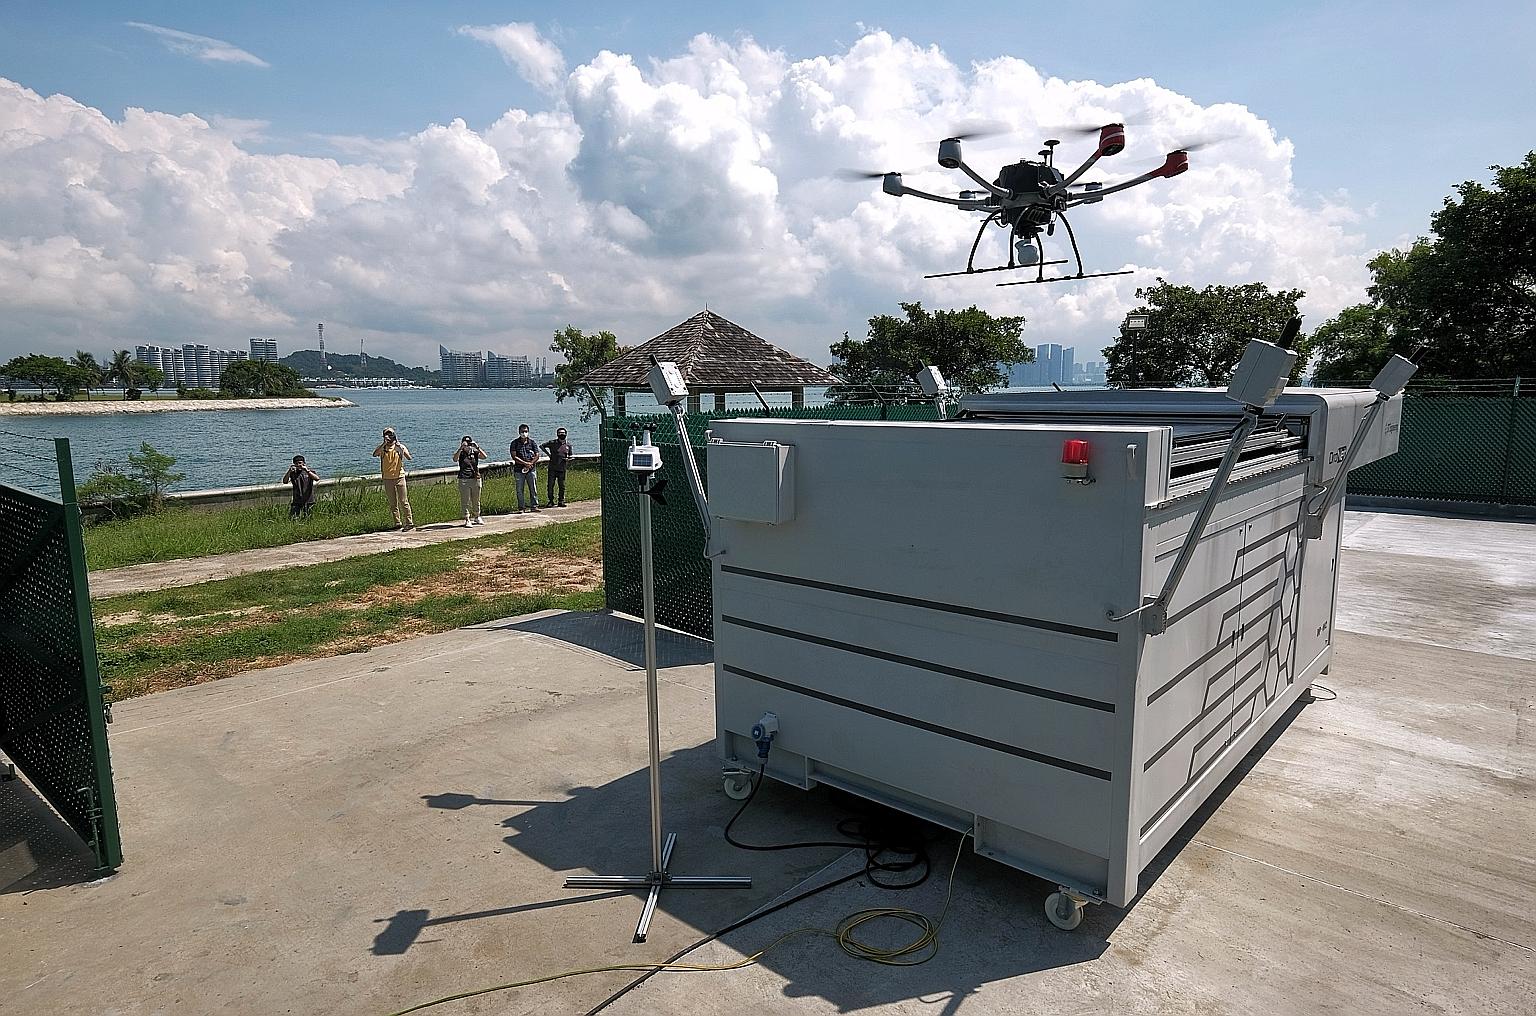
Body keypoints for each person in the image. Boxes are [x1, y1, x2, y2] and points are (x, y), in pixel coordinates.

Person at [372, 426, 415, 530]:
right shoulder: (383, 448)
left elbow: (409, 458)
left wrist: (399, 445)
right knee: (393, 503)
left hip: (399, 477)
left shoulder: (400, 447)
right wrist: (384, 443)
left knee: (404, 501)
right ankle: (397, 522)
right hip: (387, 478)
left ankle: (409, 522)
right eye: (387, 435)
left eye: (390, 435)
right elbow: (374, 454)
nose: (389, 437)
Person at [454, 435, 486, 526]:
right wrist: (461, 448)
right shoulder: (461, 453)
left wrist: (477, 447)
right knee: (465, 500)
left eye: (469, 443)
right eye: (466, 443)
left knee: (476, 499)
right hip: (464, 478)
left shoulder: (474, 451)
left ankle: (477, 516)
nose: (467, 445)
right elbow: (454, 459)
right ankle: (467, 518)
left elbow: (484, 456)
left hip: (475, 477)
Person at [509, 423, 542, 512]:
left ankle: (534, 506)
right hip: (519, 470)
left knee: (533, 488)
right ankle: (521, 507)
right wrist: (525, 463)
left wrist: (530, 463)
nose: (524, 433)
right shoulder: (514, 443)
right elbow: (514, 456)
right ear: (519, 432)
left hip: (531, 469)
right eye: (522, 431)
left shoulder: (532, 442)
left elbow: (537, 455)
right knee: (520, 489)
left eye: (526, 431)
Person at [540, 427, 573, 508]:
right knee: (550, 485)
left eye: (563, 433)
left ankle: (561, 501)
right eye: (560, 433)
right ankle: (550, 501)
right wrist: (548, 454)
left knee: (562, 486)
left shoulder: (568, 445)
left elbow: (570, 456)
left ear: (566, 434)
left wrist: (568, 459)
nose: (562, 435)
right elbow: (542, 446)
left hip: (562, 469)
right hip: (552, 468)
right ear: (557, 434)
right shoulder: (553, 443)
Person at [282, 454, 320, 519]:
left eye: (300, 463)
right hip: (297, 500)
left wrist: (307, 470)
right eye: (296, 463)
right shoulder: (293, 473)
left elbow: (317, 478)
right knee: (293, 518)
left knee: (309, 518)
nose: (298, 465)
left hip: (309, 499)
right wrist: (289, 471)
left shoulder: (309, 472)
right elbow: (285, 481)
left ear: (304, 463)